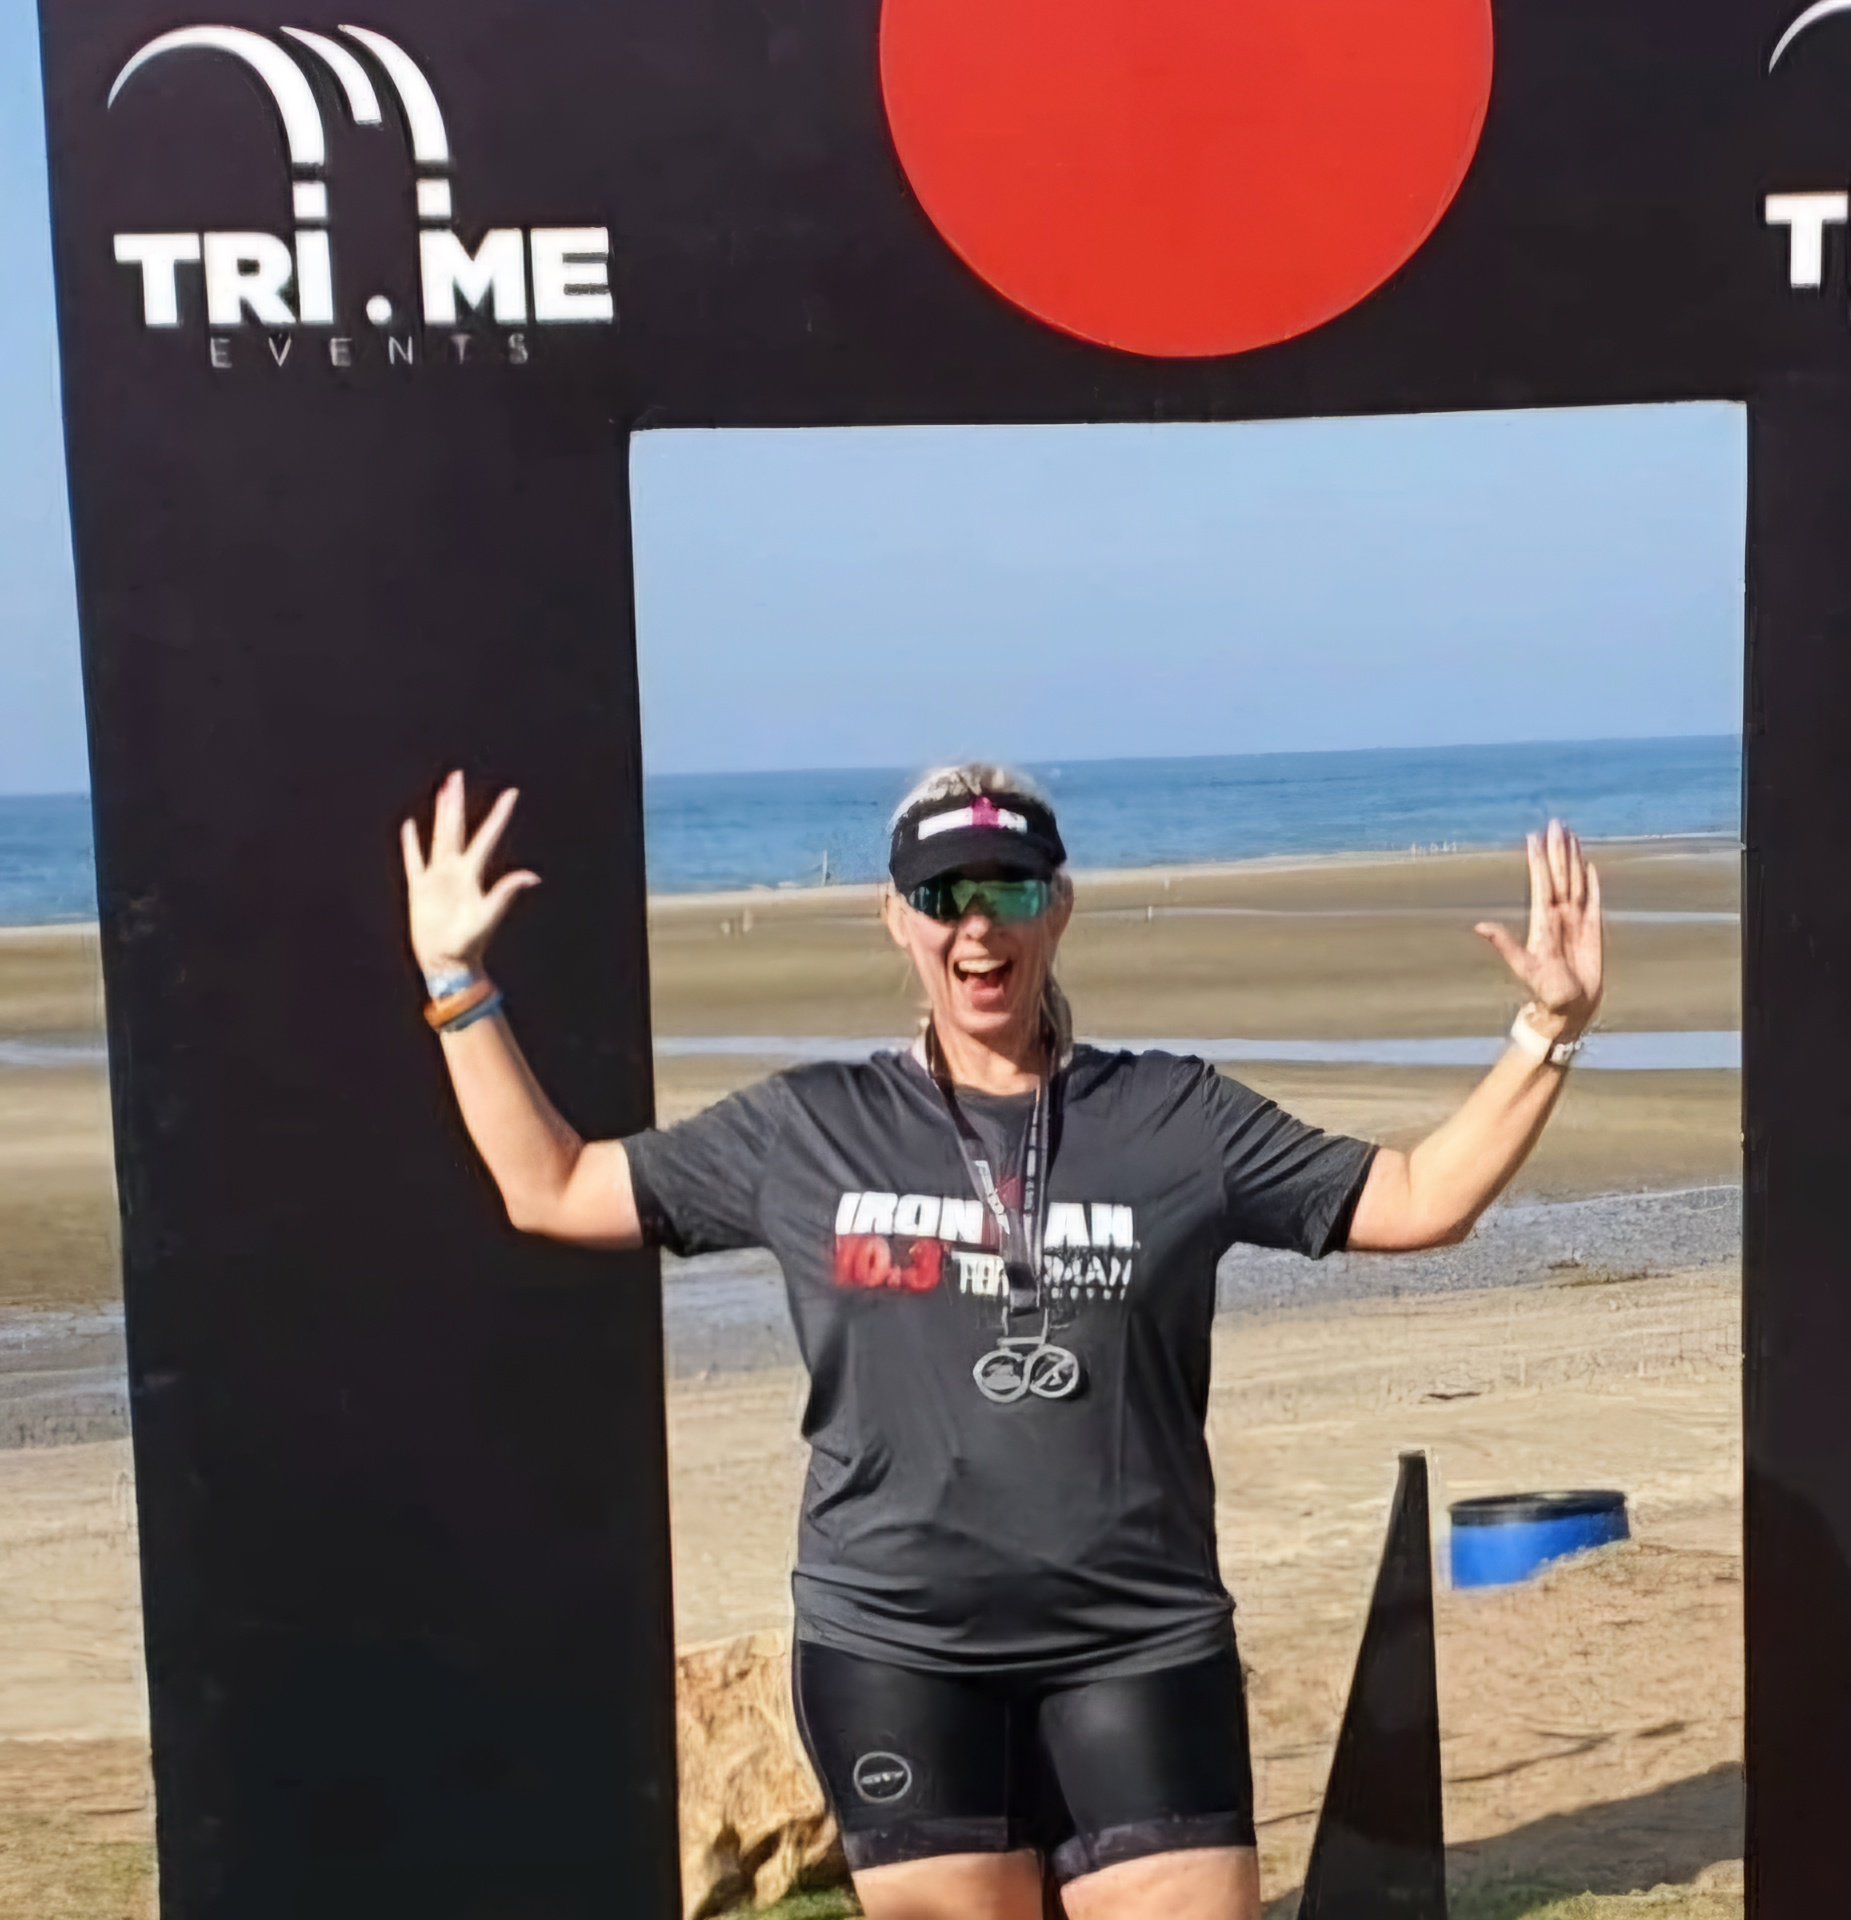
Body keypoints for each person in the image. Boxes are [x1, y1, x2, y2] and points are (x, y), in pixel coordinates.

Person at [400, 763, 1605, 1920]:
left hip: (1137, 1639)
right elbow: (551, 1185)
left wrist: (1547, 1029)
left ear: (1059, 908)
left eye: (1009, 891)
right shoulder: (808, 1130)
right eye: (942, 897)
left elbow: (1417, 1199)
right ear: (894, 918)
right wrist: (457, 984)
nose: (976, 926)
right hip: (898, 1651)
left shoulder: (1173, 1119)